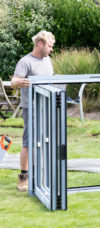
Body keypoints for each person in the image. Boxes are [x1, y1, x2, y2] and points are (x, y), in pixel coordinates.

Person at [11, 30, 55, 191]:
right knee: (29, 142)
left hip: (47, 106)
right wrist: (20, 82)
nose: (51, 49)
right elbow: (14, 81)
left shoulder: (48, 60)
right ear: (40, 44)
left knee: (45, 141)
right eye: (49, 46)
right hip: (32, 108)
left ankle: (41, 176)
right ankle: (24, 178)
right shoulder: (25, 62)